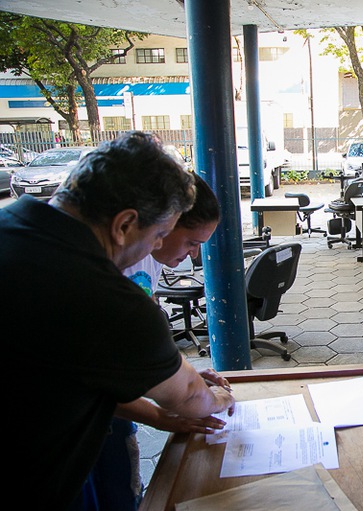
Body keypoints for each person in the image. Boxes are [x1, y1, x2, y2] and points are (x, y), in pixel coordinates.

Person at [0, 131, 235, 508]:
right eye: (159, 233)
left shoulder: (12, 223)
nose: (157, 245)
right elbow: (190, 397)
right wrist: (218, 398)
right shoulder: (100, 292)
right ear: (125, 224)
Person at [80, 173, 224, 511]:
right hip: (75, 423)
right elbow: (90, 381)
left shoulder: (142, 252)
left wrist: (178, 373)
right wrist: (172, 409)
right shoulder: (94, 275)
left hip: (107, 412)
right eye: (188, 241)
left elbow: (145, 340)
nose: (191, 257)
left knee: (123, 493)